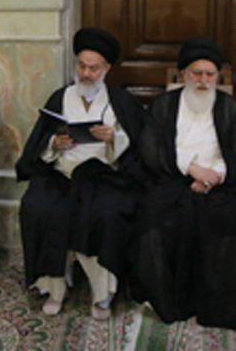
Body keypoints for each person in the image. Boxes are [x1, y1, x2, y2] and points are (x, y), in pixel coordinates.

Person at [16, 27, 145, 320]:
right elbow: (39, 142)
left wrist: (114, 138)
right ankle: (54, 288)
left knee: (106, 213)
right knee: (39, 206)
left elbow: (140, 146)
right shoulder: (60, 97)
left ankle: (103, 294)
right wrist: (54, 143)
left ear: (107, 69)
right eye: (82, 66)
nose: (86, 74)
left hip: (105, 177)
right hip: (62, 174)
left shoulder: (121, 102)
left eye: (93, 68)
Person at [131, 38, 236, 330]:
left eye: (209, 74)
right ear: (183, 75)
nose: (203, 80)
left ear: (217, 77)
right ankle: (170, 300)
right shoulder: (164, 105)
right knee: (154, 217)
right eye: (196, 73)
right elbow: (151, 149)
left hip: (220, 183)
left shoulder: (228, 107)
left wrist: (212, 177)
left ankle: (217, 306)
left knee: (234, 220)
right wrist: (191, 169)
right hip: (173, 178)